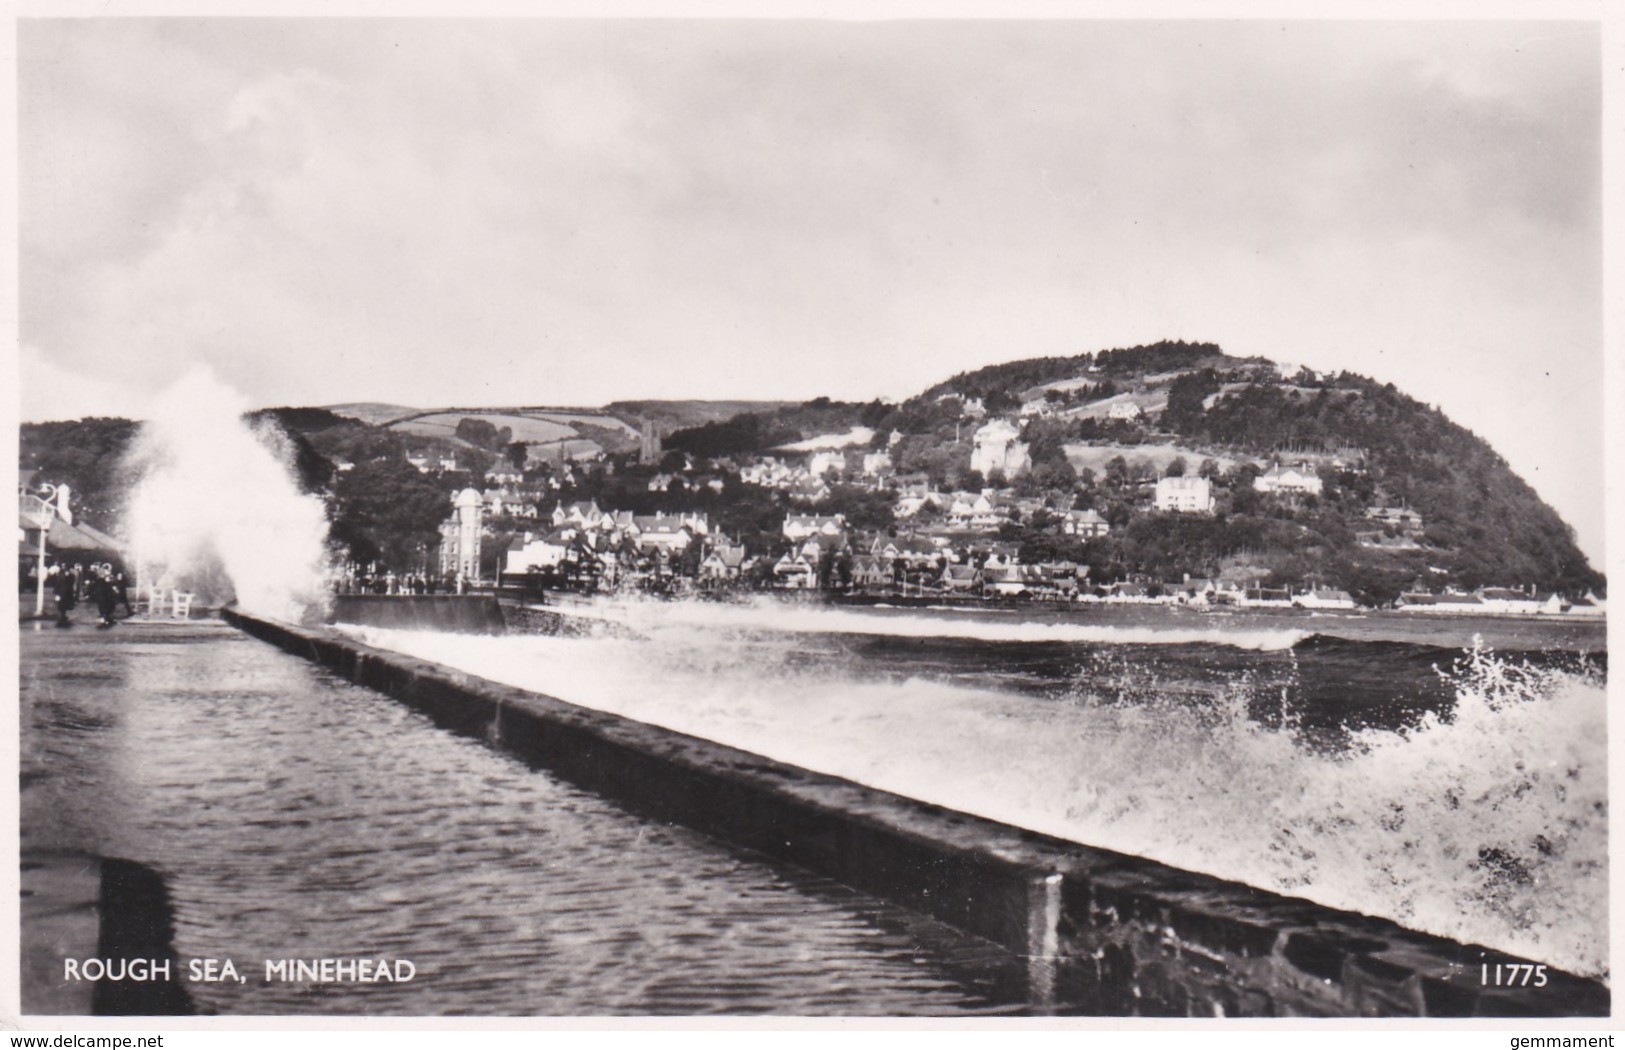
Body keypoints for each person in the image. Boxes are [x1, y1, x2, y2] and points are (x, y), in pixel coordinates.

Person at [51, 563, 78, 628]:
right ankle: (62, 617)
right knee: (62, 606)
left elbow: (71, 584)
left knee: (64, 606)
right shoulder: (62, 576)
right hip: (63, 593)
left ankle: (63, 617)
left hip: (66, 593)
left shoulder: (69, 576)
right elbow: (57, 585)